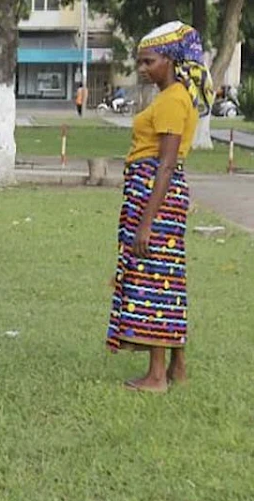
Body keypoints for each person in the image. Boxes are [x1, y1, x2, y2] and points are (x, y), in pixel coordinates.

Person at [106, 22, 214, 392]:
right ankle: (177, 367)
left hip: (156, 192)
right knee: (168, 278)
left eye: (148, 61)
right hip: (156, 191)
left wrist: (146, 223)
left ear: (170, 60)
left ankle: (155, 377)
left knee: (154, 281)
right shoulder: (177, 96)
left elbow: (165, 163)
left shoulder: (172, 100)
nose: (142, 68)